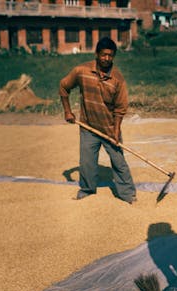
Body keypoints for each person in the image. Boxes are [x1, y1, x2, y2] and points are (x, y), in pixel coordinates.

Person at [59, 37, 137, 203]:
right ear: (96, 54)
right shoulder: (81, 71)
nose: (107, 59)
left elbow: (120, 108)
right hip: (88, 126)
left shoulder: (117, 79)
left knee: (118, 161)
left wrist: (116, 131)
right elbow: (63, 87)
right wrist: (67, 111)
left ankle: (127, 194)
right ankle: (87, 189)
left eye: (110, 56)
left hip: (109, 127)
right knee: (87, 162)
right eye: (103, 55)